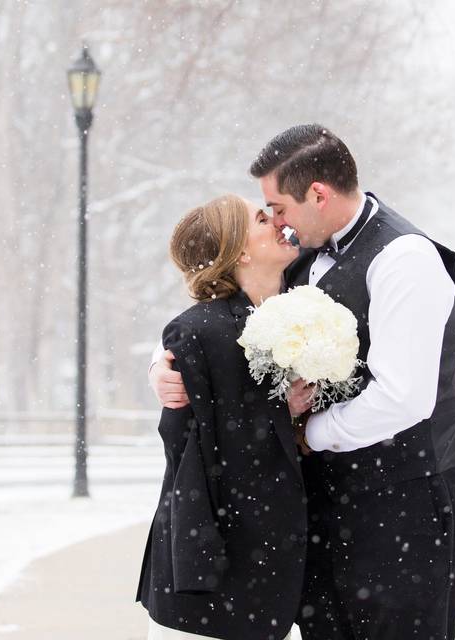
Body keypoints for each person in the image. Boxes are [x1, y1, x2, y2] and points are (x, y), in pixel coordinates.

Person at [150, 124, 455, 640]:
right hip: (321, 506)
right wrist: (162, 367)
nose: (276, 222)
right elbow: (222, 314)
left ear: (317, 195)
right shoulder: (294, 255)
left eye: (277, 207)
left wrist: (308, 434)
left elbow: (403, 397)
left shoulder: (403, 260)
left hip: (402, 498)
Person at [135, 194, 306, 640]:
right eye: (263, 219)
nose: (279, 223)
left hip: (269, 577)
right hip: (215, 581)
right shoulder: (201, 332)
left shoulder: (300, 308)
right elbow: (193, 457)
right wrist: (279, 410)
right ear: (241, 251)